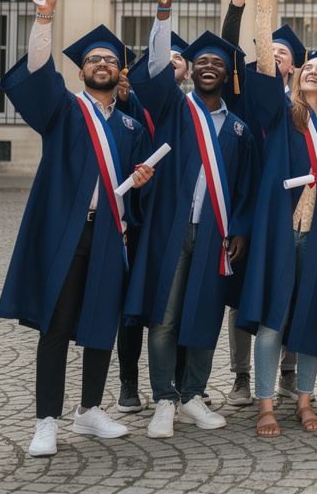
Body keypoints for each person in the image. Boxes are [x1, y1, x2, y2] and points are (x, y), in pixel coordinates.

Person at [0, 0, 154, 457]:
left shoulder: (130, 124)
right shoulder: (65, 110)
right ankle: (47, 420)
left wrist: (144, 179)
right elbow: (40, 73)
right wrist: (45, 16)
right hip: (68, 234)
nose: (101, 64)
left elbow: (138, 182)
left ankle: (89, 411)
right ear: (82, 70)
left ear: (120, 72)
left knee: (100, 322)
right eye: (93, 60)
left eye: (109, 60)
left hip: (111, 235)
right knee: (58, 325)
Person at [124, 0, 258, 439]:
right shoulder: (175, 111)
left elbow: (245, 188)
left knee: (205, 313)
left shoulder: (239, 129)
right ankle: (164, 398)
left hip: (216, 233)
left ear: (226, 75)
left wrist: (239, 229)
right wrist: (163, 15)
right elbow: (155, 68)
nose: (206, 67)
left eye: (216, 63)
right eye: (200, 62)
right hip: (171, 228)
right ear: (190, 72)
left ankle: (194, 396)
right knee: (164, 317)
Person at [235, 0, 317, 437]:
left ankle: (304, 401)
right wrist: (264, 3)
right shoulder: (283, 117)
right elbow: (266, 65)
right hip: (282, 230)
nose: (312, 73)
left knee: (309, 321)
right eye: (307, 69)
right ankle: (266, 405)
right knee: (274, 316)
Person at [112, 32, 189, 414]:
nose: (172, 61)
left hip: (172, 218)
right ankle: (129, 381)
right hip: (138, 218)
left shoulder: (191, 110)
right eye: (166, 56)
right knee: (132, 303)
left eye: (180, 58)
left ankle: (174, 381)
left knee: (173, 303)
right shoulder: (131, 104)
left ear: (187, 71)